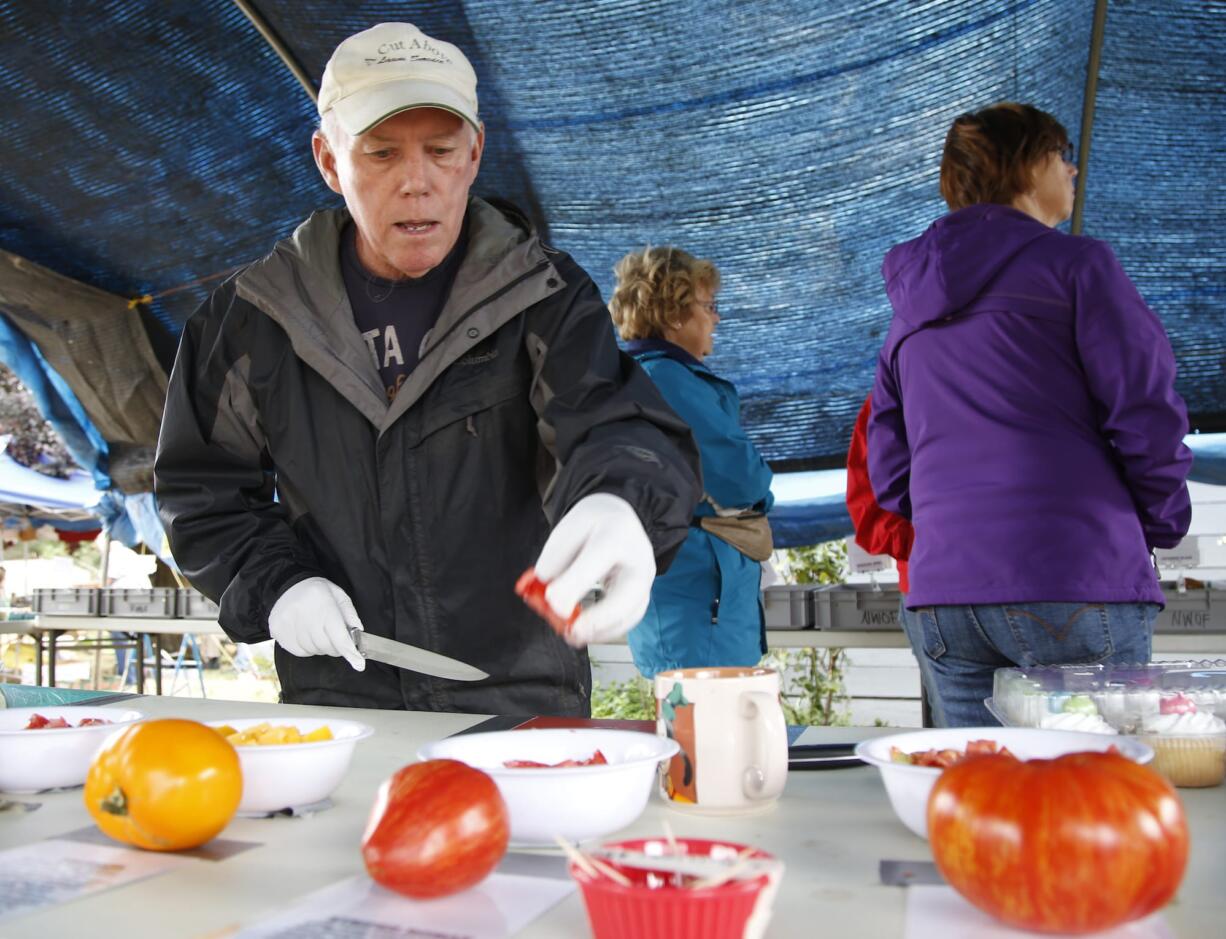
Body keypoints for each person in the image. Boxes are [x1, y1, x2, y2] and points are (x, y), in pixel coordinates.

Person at [155, 23, 702, 716]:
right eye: (381, 153)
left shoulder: (543, 295)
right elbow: (199, 490)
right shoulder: (252, 321)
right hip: (342, 699)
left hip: (519, 698)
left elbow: (612, 420)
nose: (417, 183)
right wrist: (278, 583)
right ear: (329, 160)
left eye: (441, 151)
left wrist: (621, 501)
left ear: (474, 156)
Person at [867, 102, 1193, 727]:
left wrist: (954, 524)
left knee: (984, 800)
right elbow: (1146, 411)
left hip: (945, 596)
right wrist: (1159, 518)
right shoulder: (1078, 266)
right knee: (1097, 797)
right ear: (1024, 166)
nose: (1071, 169)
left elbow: (889, 468)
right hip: (1074, 571)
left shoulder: (907, 311)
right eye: (1059, 154)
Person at [609, 247, 773, 677]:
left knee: (694, 725)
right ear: (674, 314)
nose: (716, 318)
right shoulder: (669, 381)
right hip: (699, 601)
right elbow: (744, 481)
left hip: (686, 599)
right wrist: (760, 492)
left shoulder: (640, 377)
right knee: (708, 732)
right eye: (708, 306)